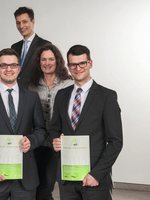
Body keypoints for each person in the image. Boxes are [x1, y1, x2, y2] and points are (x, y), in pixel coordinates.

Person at [49, 45, 123, 200]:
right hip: (67, 178)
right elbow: (54, 128)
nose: (78, 68)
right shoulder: (61, 96)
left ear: (90, 63)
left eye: (82, 63)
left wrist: (96, 174)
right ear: (68, 67)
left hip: (95, 179)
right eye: (73, 64)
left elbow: (115, 142)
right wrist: (55, 141)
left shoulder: (107, 96)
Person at [0, 48, 47, 200]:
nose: (8, 69)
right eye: (4, 65)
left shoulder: (32, 98)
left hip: (25, 177)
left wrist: (31, 141)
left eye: (13, 65)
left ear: (19, 69)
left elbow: (41, 130)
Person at [28, 44, 73, 200]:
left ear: (57, 61)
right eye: (43, 59)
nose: (47, 63)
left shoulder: (68, 84)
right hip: (36, 144)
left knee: (46, 186)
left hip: (56, 144)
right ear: (39, 62)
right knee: (36, 187)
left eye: (51, 59)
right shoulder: (32, 86)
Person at [11, 6, 51, 89]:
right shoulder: (14, 47)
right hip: (16, 91)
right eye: (18, 23)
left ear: (33, 22)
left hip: (35, 92)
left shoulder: (44, 45)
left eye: (24, 22)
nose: (21, 26)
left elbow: (49, 72)